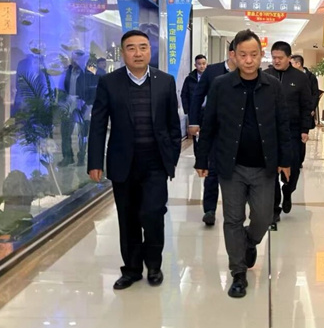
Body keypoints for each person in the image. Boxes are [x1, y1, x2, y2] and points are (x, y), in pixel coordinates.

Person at [195, 29, 292, 298]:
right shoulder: (221, 85)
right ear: (234, 56)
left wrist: (286, 160)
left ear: (261, 56)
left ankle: (249, 241)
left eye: (254, 55)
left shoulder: (273, 86)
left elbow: (282, 125)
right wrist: (202, 158)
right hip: (231, 166)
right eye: (243, 55)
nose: (249, 60)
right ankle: (238, 272)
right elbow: (209, 124)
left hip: (264, 166)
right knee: (233, 219)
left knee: (263, 217)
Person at [87, 30, 182, 290]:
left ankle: (154, 265)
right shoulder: (109, 82)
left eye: (143, 47)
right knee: (127, 217)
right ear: (123, 53)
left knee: (152, 214)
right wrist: (94, 162)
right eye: (131, 48)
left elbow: (173, 125)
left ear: (150, 51)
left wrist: (172, 157)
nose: (138, 53)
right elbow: (98, 124)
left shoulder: (165, 81)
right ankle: (131, 269)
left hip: (155, 163)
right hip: (123, 162)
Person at [188, 43, 236, 226]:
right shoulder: (212, 71)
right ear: (232, 53)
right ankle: (209, 209)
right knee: (212, 170)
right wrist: (194, 121)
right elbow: (197, 96)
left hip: (238, 131)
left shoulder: (247, 72)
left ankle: (236, 210)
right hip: (214, 129)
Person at [264, 42, 312, 221]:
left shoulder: (300, 78)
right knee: (271, 170)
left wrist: (305, 129)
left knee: (293, 168)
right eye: (274, 57)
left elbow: (306, 105)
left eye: (280, 58)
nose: (276, 61)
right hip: (270, 131)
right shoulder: (265, 76)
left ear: (289, 58)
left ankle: (288, 190)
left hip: (293, 131)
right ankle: (274, 208)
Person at [59, 50, 92, 167]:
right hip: (69, 103)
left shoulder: (88, 74)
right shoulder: (67, 72)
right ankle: (68, 157)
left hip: (83, 105)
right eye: (73, 58)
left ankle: (81, 157)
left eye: (77, 59)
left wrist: (87, 104)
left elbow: (93, 91)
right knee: (65, 132)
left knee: (82, 133)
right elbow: (63, 87)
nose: (74, 61)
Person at [291, 54, 320, 127]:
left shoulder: (311, 77)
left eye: (291, 63)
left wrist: (312, 108)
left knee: (304, 128)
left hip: (306, 108)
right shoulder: (291, 76)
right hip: (294, 109)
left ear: (298, 64)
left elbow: (315, 94)